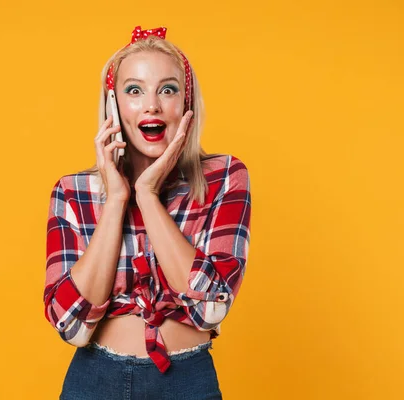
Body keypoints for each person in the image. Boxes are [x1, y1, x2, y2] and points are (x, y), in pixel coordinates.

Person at [44, 25, 252, 400]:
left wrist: (147, 195)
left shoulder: (224, 177)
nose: (152, 104)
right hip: (94, 382)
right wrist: (117, 199)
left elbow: (209, 307)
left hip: (187, 382)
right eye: (134, 90)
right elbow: (72, 326)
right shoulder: (73, 192)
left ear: (186, 104)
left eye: (167, 89)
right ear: (113, 106)